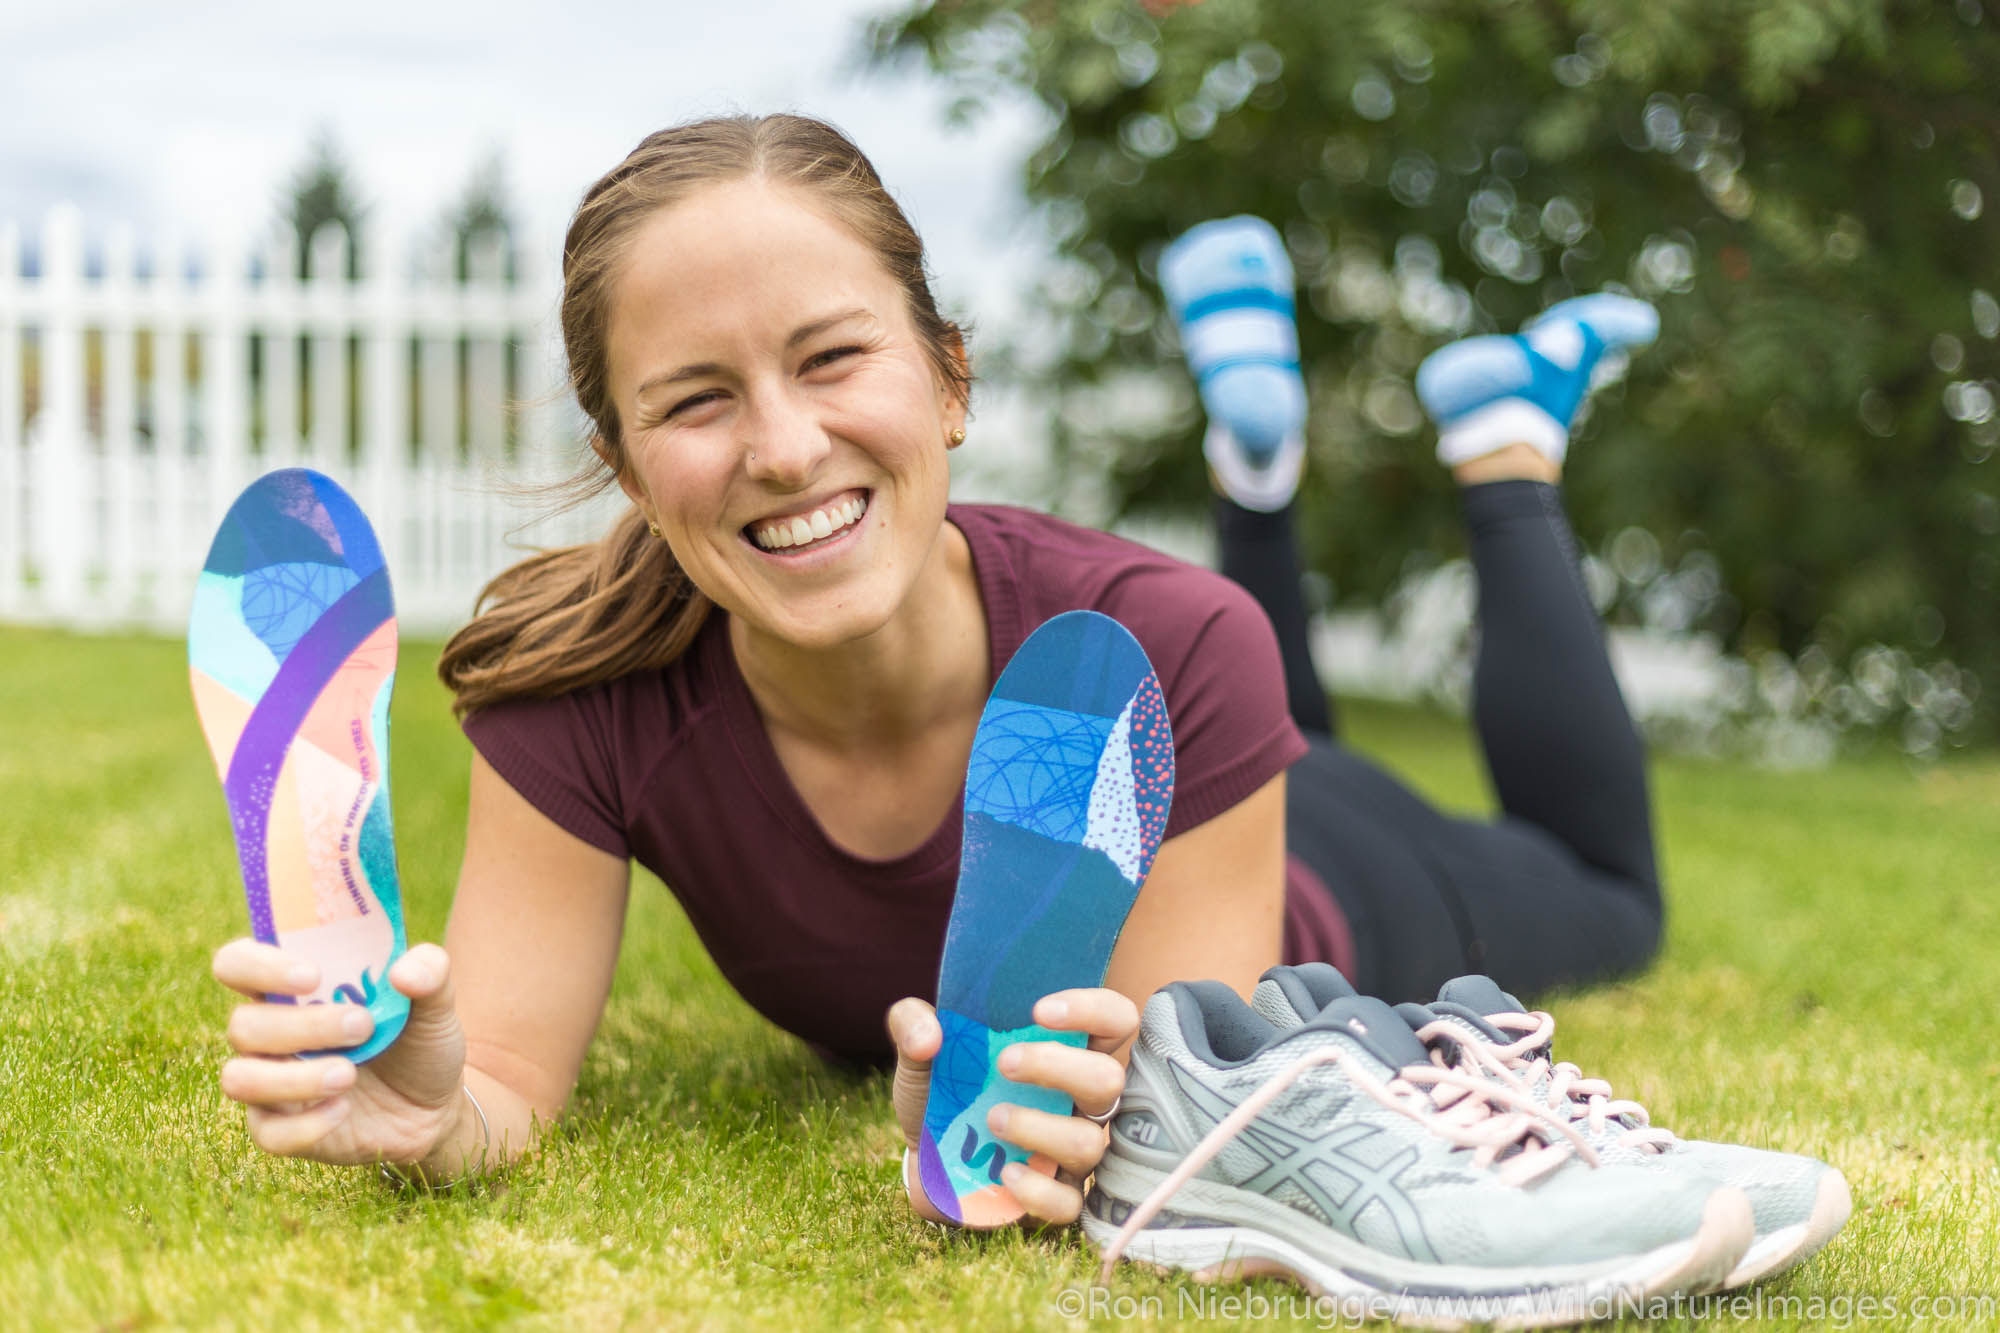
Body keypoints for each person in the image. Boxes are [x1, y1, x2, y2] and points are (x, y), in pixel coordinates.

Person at [207, 113, 1666, 1235]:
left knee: (1610, 890)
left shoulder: (1173, 644)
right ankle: (1262, 452)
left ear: (951, 378)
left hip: (1324, 875)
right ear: (625, 468)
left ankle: (1503, 454)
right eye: (698, 400)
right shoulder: (578, 698)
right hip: (1212, 727)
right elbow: (503, 1078)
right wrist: (425, 1113)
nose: (782, 447)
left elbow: (1155, 1111)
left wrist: (1045, 1127)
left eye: (833, 358)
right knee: (1257, 667)